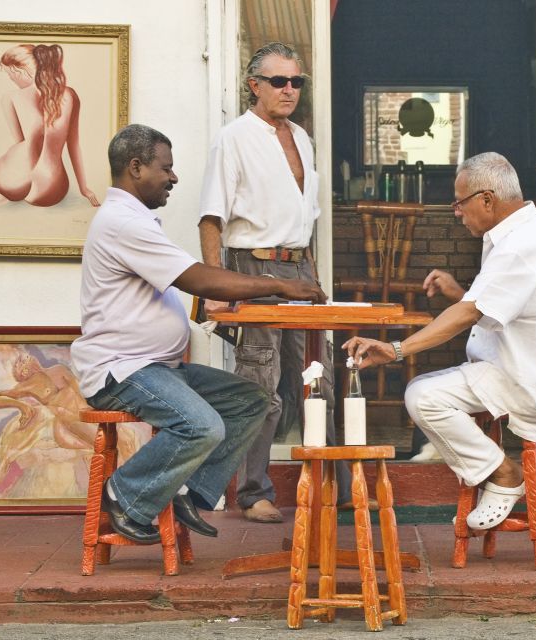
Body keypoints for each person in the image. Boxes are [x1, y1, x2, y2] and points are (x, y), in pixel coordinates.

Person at [71, 124, 326, 543]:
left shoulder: (136, 219)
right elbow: (198, 279)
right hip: (124, 371)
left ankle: (187, 489)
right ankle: (125, 493)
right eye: (165, 168)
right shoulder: (121, 222)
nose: (173, 178)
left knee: (254, 400)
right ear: (135, 168)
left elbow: (184, 283)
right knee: (203, 425)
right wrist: (279, 284)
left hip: (160, 368)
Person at [343, 152, 536, 531]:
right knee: (427, 389)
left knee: (423, 396)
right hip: (511, 370)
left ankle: (503, 474)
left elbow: (471, 314)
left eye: (459, 202)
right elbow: (499, 306)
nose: (456, 212)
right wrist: (460, 294)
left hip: (520, 378)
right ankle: (494, 470)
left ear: (486, 199)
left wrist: (396, 349)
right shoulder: (525, 234)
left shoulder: (522, 244)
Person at [198, 42, 353, 523]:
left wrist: (313, 275)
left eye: (297, 82)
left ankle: (332, 484)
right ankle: (253, 492)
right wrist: (213, 291)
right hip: (253, 267)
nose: (290, 90)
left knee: (317, 376)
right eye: (280, 82)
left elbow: (304, 220)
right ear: (254, 85)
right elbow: (210, 219)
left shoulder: (302, 138)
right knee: (259, 381)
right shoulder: (235, 137)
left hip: (300, 268)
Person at [0, 44, 99, 216]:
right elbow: (73, 144)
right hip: (50, 187)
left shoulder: (9, 98)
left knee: (8, 177)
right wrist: (84, 188)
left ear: (20, 71)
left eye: (10, 76)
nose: (12, 81)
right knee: (23, 180)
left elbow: (20, 143)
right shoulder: (69, 95)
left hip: (9, 176)